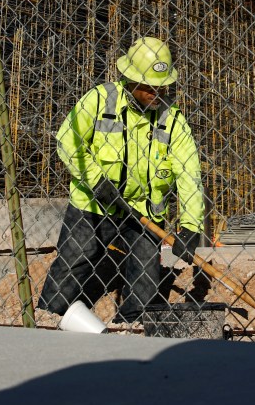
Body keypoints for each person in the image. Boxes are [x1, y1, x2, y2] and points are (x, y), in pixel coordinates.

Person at [38, 37, 206, 324]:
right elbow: (68, 141)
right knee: (77, 256)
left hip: (143, 212)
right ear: (130, 79)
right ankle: (48, 316)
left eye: (161, 86)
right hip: (93, 203)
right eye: (149, 86)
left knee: (145, 272)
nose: (157, 92)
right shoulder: (101, 99)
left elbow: (189, 174)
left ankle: (132, 324)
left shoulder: (173, 120)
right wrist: (96, 181)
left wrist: (191, 225)